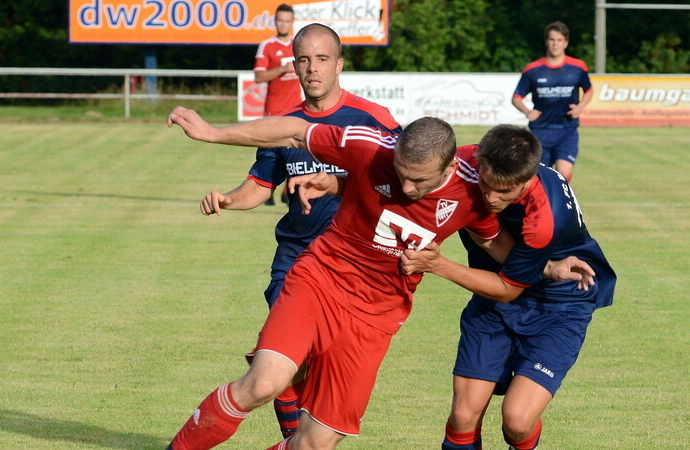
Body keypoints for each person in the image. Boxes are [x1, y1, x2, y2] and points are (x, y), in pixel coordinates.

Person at [164, 111, 593, 449]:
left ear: (448, 166)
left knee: (315, 443)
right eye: (401, 171)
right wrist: (212, 132)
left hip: (377, 317)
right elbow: (296, 130)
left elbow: (499, 250)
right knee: (264, 382)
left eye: (418, 178)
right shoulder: (371, 147)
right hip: (321, 280)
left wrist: (549, 268)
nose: (406, 185)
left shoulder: (474, 193)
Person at [199, 23, 401, 439]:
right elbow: (258, 186)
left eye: (322, 59)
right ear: (295, 66)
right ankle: (293, 441)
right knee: (284, 363)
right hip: (294, 260)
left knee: (321, 370)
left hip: (352, 268)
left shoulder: (373, 120)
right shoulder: (281, 126)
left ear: (339, 64)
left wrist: (340, 185)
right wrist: (228, 200)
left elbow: (400, 183)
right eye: (304, 60)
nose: (313, 69)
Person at [399, 125, 616, 450]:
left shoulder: (545, 217)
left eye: (505, 192)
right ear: (480, 161)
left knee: (516, 421)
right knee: (463, 416)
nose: (491, 197)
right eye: (486, 185)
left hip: (557, 305)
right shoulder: (462, 161)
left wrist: (438, 265)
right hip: (492, 303)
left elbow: (508, 288)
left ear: (527, 182)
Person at [512, 21, 593, 182]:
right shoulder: (533, 70)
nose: (555, 44)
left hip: (567, 129)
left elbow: (589, 90)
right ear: (546, 41)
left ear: (566, 43)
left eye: (559, 40)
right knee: (541, 178)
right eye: (552, 39)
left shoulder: (577, 67)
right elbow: (516, 98)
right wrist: (528, 112)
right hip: (540, 131)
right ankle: (546, 205)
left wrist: (580, 107)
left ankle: (561, 200)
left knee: (563, 173)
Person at [254, 3, 302, 205]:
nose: (283, 24)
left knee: (297, 152)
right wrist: (282, 70)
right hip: (274, 109)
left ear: (292, 22)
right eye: (280, 20)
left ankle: (288, 191)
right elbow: (258, 76)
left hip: (296, 108)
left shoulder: (299, 45)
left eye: (287, 20)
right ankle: (265, 191)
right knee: (270, 152)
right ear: (275, 21)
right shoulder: (267, 45)